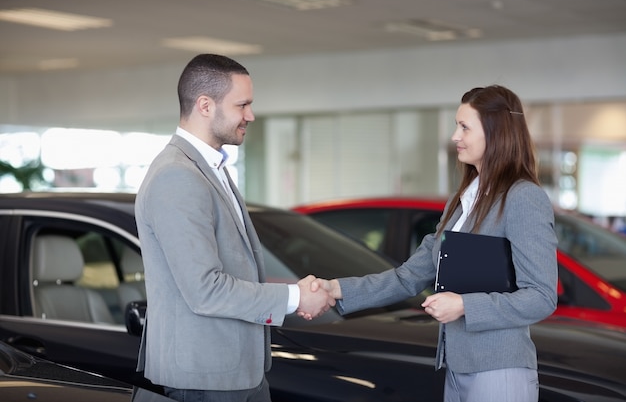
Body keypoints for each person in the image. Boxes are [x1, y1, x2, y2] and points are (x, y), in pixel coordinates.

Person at [306, 85, 558, 402]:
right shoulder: (461, 201)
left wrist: (464, 306)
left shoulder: (523, 198)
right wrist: (334, 290)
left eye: (465, 127)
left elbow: (541, 297)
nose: (455, 136)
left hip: (498, 369)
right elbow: (408, 276)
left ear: (497, 133)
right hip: (456, 366)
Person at [135, 53, 333, 402]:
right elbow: (205, 289)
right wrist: (296, 297)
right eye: (242, 105)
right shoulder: (177, 176)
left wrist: (294, 289)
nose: (250, 115)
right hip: (205, 376)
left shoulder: (210, 167)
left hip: (235, 371)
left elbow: (235, 267)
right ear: (205, 105)